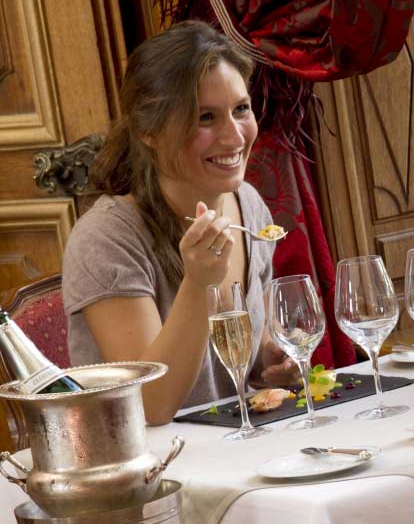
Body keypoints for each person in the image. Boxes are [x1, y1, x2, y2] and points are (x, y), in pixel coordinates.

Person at [63, 21, 298, 425]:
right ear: (147, 131)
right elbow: (151, 405)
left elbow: (243, 358)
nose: (234, 136)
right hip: (156, 470)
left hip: (241, 449)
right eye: (205, 117)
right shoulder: (105, 239)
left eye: (240, 109)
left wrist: (268, 362)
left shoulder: (249, 206)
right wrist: (197, 283)